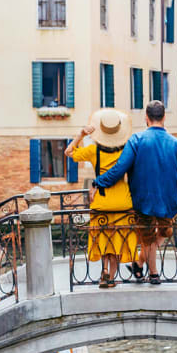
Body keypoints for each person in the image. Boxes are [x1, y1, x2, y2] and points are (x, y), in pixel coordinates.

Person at [91, 100, 177, 285]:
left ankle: (139, 262)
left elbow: (119, 169)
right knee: (155, 235)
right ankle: (154, 273)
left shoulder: (136, 140)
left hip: (143, 199)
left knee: (161, 232)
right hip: (167, 198)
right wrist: (176, 194)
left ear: (146, 118)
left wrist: (98, 182)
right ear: (164, 117)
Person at [66, 109, 138, 288]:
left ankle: (104, 272)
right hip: (123, 202)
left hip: (101, 202)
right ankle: (111, 277)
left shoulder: (93, 150)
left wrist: (81, 134)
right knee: (116, 241)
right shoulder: (128, 151)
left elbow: (69, 152)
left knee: (104, 240)